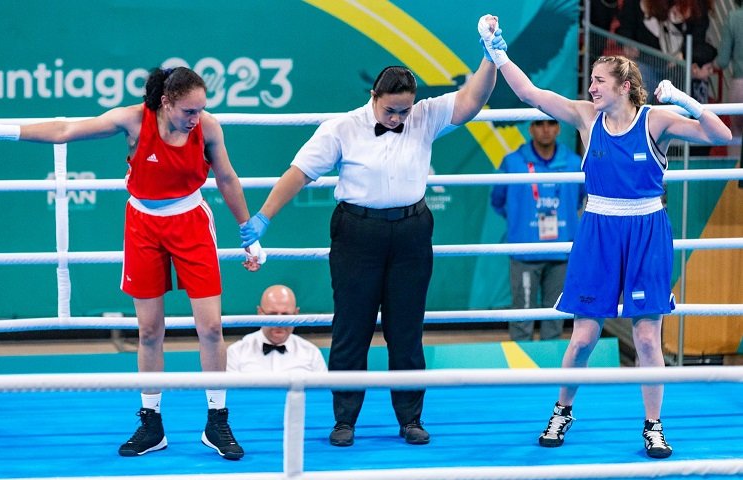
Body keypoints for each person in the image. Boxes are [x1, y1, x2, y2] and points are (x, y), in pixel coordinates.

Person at [0, 66, 267, 460]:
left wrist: (249, 232)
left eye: (200, 110)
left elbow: (227, 178)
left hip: (192, 222)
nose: (196, 119)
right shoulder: (133, 120)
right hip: (143, 225)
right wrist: (2, 130)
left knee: (211, 327)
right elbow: (65, 130)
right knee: (149, 330)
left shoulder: (208, 127)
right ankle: (151, 423)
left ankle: (216, 420)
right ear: (166, 102)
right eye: (188, 111)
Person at [479, 15, 731, 458]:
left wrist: (683, 99)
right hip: (598, 230)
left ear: (624, 86)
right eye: (591, 80)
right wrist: (497, 51)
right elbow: (530, 93)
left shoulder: (656, 120)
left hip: (647, 231)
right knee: (582, 338)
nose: (591, 87)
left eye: (599, 80)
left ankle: (653, 425)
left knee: (648, 339)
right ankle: (562, 411)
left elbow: (721, 133)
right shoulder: (585, 116)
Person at [239, 23, 501, 447]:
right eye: (391, 111)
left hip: (412, 232)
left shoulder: (424, 115)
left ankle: (410, 419)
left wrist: (490, 59)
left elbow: (473, 99)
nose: (398, 119)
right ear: (374, 97)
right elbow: (299, 173)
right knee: (351, 330)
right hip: (356, 234)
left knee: (407, 331)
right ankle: (344, 420)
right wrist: (263, 218)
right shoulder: (341, 128)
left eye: (404, 111)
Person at [491, 119, 585, 341]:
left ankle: (550, 364)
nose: (545, 129)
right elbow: (498, 200)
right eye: (539, 124)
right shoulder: (513, 163)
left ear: (558, 128)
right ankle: (521, 364)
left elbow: (579, 199)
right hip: (525, 252)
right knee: (522, 319)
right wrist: (520, 221)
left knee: (555, 319)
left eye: (551, 123)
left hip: (561, 252)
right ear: (531, 128)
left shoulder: (573, 163)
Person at [226, 285, 327, 373]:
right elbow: (228, 390)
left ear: (296, 314)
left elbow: (325, 389)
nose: (279, 322)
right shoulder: (236, 352)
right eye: (272, 315)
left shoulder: (311, 353)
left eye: (285, 315)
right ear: (260, 313)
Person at [717, 0, 743, 159]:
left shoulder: (733, 17)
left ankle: (734, 172)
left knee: (736, 134)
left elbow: (722, 61)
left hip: (739, 85)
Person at [688, 41, 719, 157]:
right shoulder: (686, 84)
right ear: (694, 68)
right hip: (692, 138)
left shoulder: (702, 82)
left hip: (700, 136)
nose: (711, 71)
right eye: (708, 68)